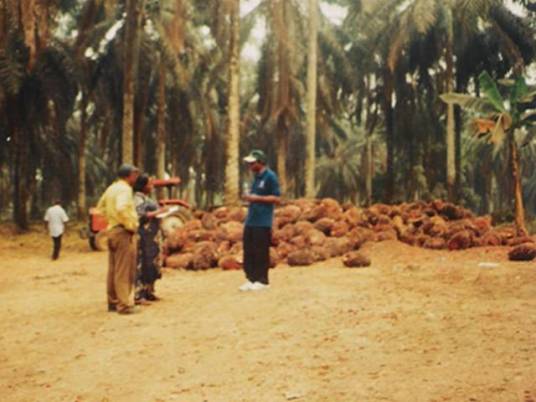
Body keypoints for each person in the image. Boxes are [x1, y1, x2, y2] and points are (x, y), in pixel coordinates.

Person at [96, 164, 140, 315]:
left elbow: (100, 207)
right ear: (129, 175)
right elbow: (121, 208)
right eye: (135, 174)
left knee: (113, 269)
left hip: (112, 231)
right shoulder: (125, 189)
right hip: (123, 232)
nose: (136, 177)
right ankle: (124, 305)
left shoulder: (111, 188)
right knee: (124, 270)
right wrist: (129, 224)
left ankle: (112, 302)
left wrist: (111, 219)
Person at [239, 149, 281, 291]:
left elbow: (276, 198)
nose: (250, 166)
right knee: (248, 249)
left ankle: (262, 280)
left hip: (262, 222)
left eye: (252, 163)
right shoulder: (256, 178)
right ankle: (251, 279)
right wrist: (249, 198)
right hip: (251, 220)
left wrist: (257, 198)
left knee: (260, 251)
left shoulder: (270, 177)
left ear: (260, 162)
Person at [133, 174, 167, 304]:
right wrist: (158, 212)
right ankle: (139, 294)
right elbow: (140, 215)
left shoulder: (146, 198)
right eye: (150, 184)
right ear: (143, 185)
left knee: (152, 262)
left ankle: (149, 291)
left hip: (152, 236)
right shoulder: (137, 199)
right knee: (143, 263)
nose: (152, 186)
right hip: (144, 236)